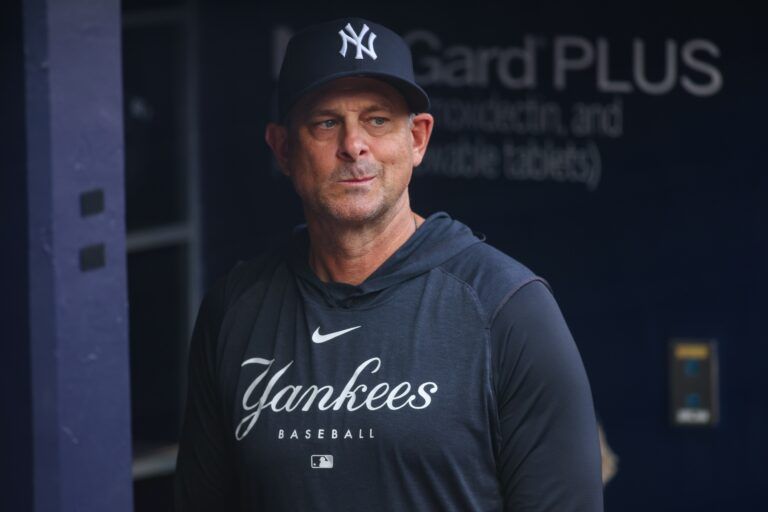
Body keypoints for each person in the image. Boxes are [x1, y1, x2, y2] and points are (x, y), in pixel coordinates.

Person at [175, 17, 604, 511]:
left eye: (377, 120)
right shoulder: (236, 308)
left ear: (417, 139)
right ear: (283, 148)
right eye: (326, 122)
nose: (353, 145)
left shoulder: (507, 308)